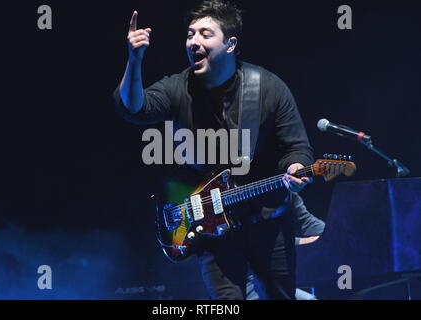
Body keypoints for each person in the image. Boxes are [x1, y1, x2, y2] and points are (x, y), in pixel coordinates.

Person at [114, 0, 314, 299]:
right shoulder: (177, 88)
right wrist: (134, 60)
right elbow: (135, 108)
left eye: (205, 34)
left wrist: (297, 165)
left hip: (268, 223)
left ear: (230, 44)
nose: (194, 41)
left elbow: (296, 146)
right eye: (190, 34)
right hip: (211, 226)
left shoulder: (268, 88)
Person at [246, 192, 325, 300]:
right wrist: (305, 241)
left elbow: (306, 221)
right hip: (247, 279)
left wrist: (331, 233)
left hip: (272, 275)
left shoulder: (285, 192)